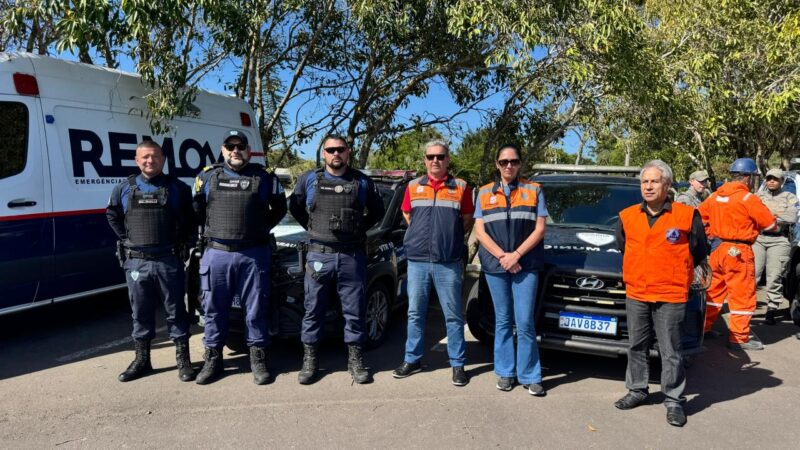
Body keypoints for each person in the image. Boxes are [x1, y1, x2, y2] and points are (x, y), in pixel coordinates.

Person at [613, 160, 708, 427]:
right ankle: (637, 390)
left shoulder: (687, 215)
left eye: (654, 181)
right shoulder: (627, 216)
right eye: (645, 182)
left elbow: (699, 250)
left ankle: (674, 400)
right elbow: (623, 246)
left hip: (671, 293)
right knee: (636, 345)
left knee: (671, 350)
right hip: (637, 291)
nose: (648, 186)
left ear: (667, 185)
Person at [289, 134, 385, 385]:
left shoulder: (361, 181)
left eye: (340, 149)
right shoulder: (309, 179)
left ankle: (356, 360)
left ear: (348, 152)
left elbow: (378, 211)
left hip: (351, 256)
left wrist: (357, 230)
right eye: (330, 150)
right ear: (324, 153)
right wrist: (313, 229)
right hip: (319, 254)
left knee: (355, 311)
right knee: (313, 309)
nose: (335, 154)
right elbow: (295, 207)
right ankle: (310, 360)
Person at [192, 130, 287, 385]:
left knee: (256, 309)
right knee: (214, 308)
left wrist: (258, 229)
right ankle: (213, 359)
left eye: (241, 146)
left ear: (248, 150)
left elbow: (280, 208)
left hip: (253, 254)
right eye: (230, 146)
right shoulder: (207, 176)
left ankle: (258, 358)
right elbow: (198, 210)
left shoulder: (264, 177)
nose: (236, 150)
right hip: (217, 253)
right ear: (223, 150)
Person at [106, 140, 197, 383]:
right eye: (145, 157)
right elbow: (112, 215)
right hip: (137, 262)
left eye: (155, 156)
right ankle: (142, 360)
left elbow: (191, 221)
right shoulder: (123, 188)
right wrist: (127, 239)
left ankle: (183, 360)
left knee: (176, 312)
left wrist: (184, 244)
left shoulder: (178, 188)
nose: (150, 161)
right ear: (137, 160)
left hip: (168, 260)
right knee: (140, 313)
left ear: (163, 159)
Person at [392, 140, 474, 386]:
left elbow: (467, 220)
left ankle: (457, 364)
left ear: (448, 159)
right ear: (425, 160)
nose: (435, 160)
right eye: (430, 157)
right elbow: (408, 214)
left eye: (440, 156)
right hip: (417, 261)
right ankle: (412, 359)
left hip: (447, 262)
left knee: (453, 315)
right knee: (415, 313)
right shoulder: (413, 186)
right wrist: (421, 236)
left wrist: (448, 238)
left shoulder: (461, 187)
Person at [474, 144, 547, 396]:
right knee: (503, 320)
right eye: (504, 161)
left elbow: (540, 229)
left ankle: (530, 375)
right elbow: (480, 232)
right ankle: (506, 372)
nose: (509, 166)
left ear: (520, 164)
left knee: (525, 321)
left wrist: (516, 255)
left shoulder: (534, 190)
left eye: (513, 161)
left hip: (526, 264)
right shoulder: (484, 192)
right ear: (497, 164)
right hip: (496, 265)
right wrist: (503, 257)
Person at [698, 158, 777, 351]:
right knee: (742, 295)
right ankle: (739, 338)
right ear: (748, 178)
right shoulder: (748, 199)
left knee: (713, 292)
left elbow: (698, 217)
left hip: (717, 250)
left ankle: (702, 329)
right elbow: (770, 225)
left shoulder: (715, 196)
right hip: (739, 252)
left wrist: (711, 233)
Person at [754, 168, 798, 325]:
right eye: (769, 178)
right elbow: (751, 215)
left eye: (775, 179)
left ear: (782, 181)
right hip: (758, 239)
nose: (771, 181)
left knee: (774, 277)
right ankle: (746, 307)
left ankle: (771, 309)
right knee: (753, 274)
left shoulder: (789, 197)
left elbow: (791, 217)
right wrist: (777, 214)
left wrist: (766, 214)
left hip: (779, 240)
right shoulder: (757, 197)